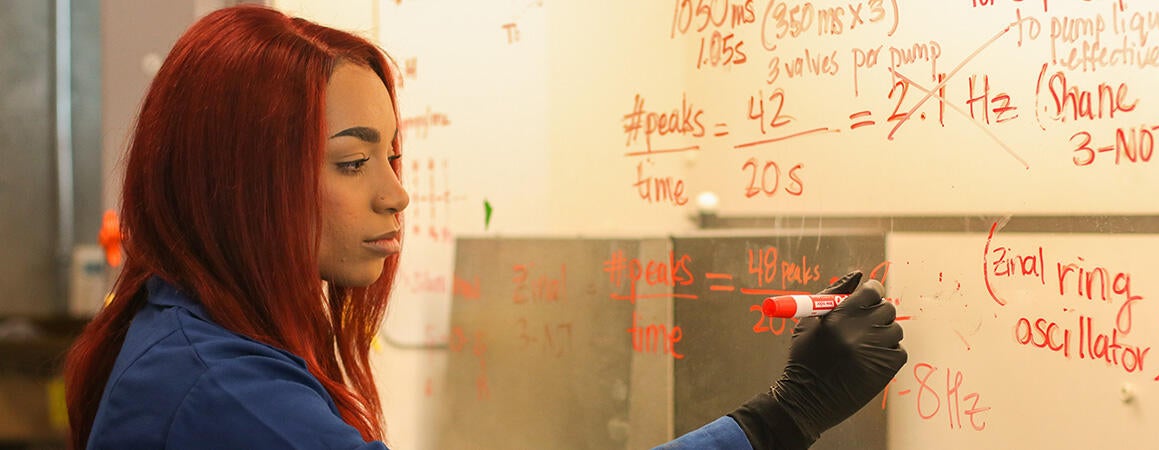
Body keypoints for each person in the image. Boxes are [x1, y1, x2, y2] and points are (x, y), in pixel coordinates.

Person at [63, 5, 905, 450]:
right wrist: (781, 419)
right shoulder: (226, 395)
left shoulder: (194, 338)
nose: (396, 195)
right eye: (353, 164)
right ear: (235, 180)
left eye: (394, 156)